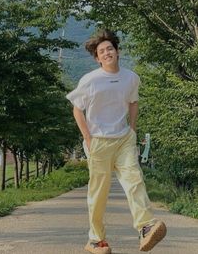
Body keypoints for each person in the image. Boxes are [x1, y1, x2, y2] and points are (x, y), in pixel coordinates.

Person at [66, 30, 166, 254]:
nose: (107, 52)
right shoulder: (90, 80)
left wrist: (132, 129)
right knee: (98, 193)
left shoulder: (131, 77)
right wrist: (88, 138)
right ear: (97, 58)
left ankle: (146, 226)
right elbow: (77, 110)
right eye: (102, 51)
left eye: (110, 48)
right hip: (98, 142)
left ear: (117, 51)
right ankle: (96, 240)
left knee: (134, 179)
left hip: (123, 139)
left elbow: (133, 102)